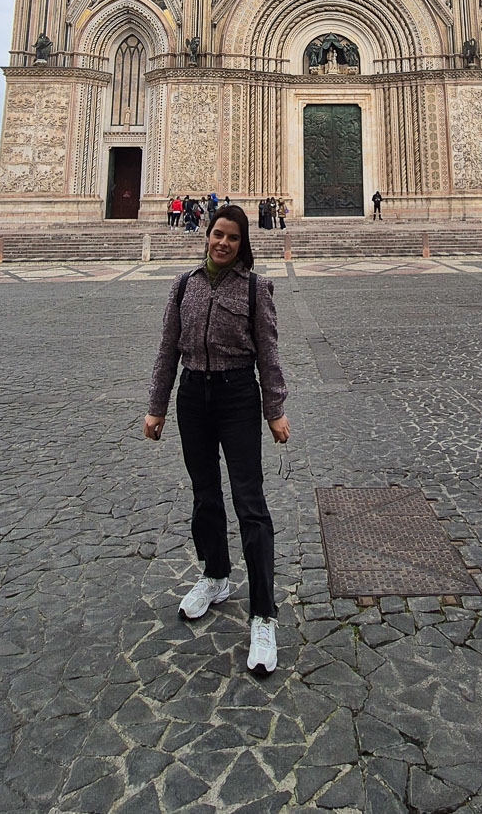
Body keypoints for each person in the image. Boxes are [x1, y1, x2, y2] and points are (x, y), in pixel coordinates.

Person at [144, 206, 290, 677]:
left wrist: (275, 409)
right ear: (206, 236)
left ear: (243, 242)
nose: (222, 243)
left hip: (238, 396)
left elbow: (268, 351)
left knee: (250, 501)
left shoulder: (254, 287)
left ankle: (263, 614)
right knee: (205, 494)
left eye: (231, 237)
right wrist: (157, 406)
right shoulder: (184, 285)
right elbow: (168, 348)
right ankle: (215, 575)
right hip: (193, 394)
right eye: (216, 235)